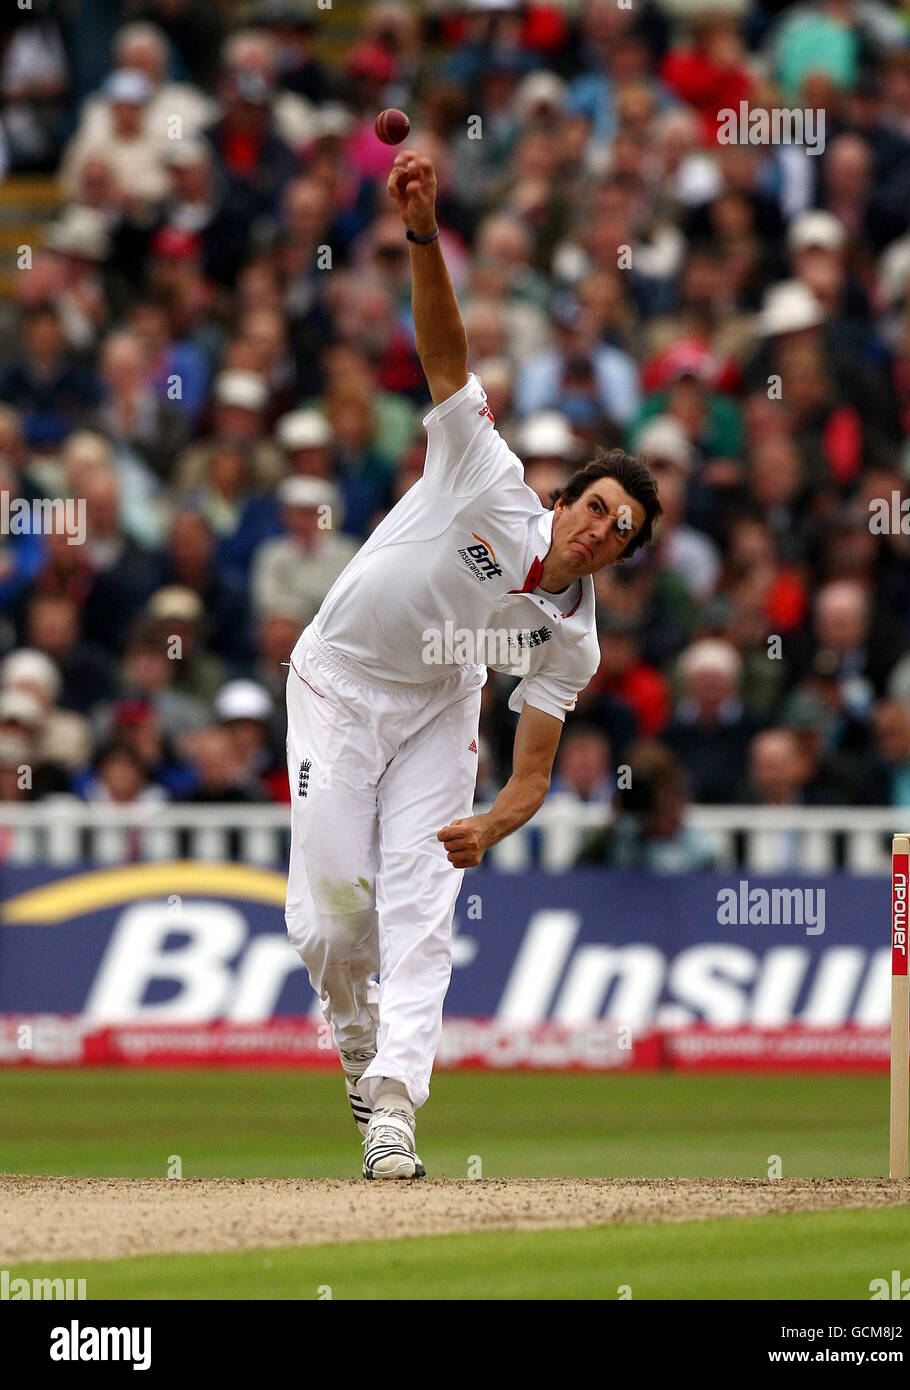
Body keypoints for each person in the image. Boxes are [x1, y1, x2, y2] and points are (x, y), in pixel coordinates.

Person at [283, 151, 661, 1180]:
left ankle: (396, 1105)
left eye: (618, 530)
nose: (597, 529)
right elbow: (445, 356)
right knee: (328, 918)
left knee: (420, 906)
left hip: (439, 709)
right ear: (563, 496)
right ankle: (356, 1046)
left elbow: (533, 770)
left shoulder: (570, 636)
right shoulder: (483, 471)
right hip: (336, 679)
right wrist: (420, 229)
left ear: (620, 555)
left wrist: (491, 821)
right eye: (593, 506)